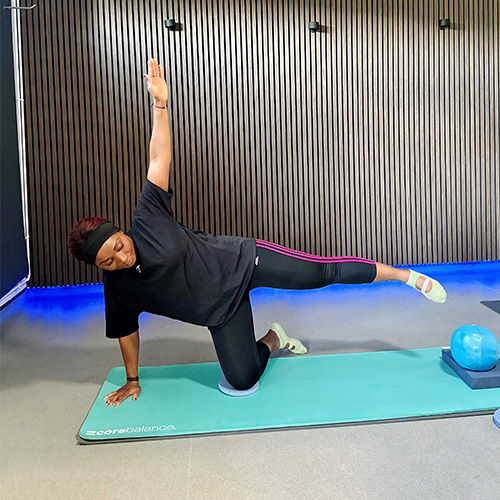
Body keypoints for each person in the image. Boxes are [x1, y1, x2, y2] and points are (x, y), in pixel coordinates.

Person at [67, 59, 447, 407]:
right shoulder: (117, 288)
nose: (120, 257)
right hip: (220, 310)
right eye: (108, 261)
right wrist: (132, 379)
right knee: (242, 380)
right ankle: (275, 338)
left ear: (119, 231)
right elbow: (126, 331)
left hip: (244, 261)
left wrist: (161, 106)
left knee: (320, 273)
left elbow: (158, 157)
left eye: (117, 245)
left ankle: (404, 275)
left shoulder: (147, 215)